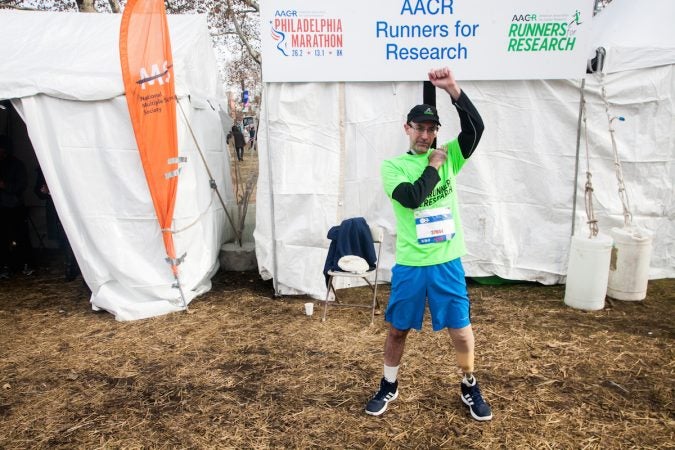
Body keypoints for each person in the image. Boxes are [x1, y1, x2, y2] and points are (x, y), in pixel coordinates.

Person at [365, 67, 492, 421]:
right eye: (419, 128)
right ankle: (389, 383)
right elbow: (412, 199)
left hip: (446, 259)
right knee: (398, 328)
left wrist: (452, 89)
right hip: (411, 262)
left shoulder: (451, 154)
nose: (425, 135)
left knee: (461, 329)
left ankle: (469, 383)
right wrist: (433, 167)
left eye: (431, 129)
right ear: (407, 129)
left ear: (437, 131)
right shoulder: (393, 166)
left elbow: (476, 128)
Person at [34, 168, 80, 281]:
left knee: (70, 237)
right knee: (61, 239)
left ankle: (72, 267)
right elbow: (37, 190)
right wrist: (44, 191)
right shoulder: (44, 168)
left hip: (70, 207)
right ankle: (70, 266)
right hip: (53, 209)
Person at [0, 134, 33, 278]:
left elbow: (22, 185)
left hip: (14, 207)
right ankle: (5, 266)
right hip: (1, 207)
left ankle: (26, 263)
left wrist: (5, 186)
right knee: (2, 238)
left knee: (20, 237)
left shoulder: (17, 164)